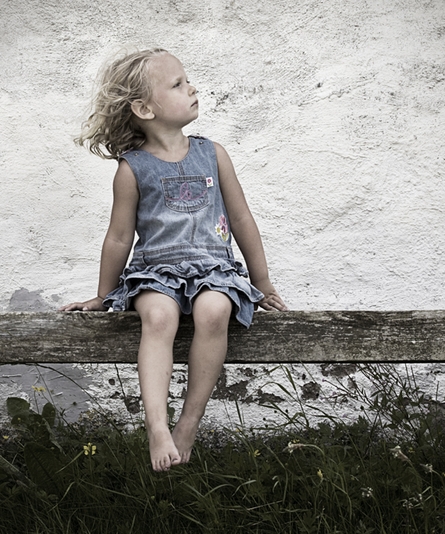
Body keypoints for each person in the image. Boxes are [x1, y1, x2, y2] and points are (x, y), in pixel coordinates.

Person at [60, 48, 287, 472]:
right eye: (178, 84)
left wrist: (263, 282)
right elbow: (119, 238)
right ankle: (157, 427)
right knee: (160, 317)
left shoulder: (212, 154)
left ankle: (188, 422)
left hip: (214, 270)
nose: (192, 87)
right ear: (144, 108)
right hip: (155, 274)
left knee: (216, 308)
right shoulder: (133, 169)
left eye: (188, 80)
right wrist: (104, 296)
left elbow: (240, 218)